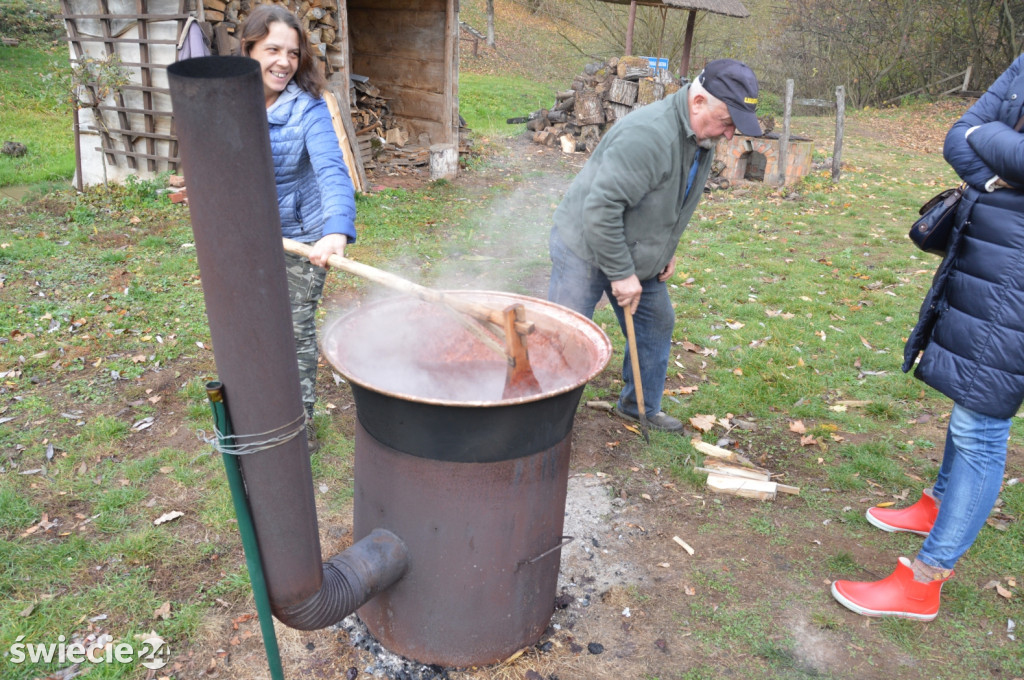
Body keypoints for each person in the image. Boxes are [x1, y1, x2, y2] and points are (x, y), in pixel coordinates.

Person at [831, 54, 1024, 621]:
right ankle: (940, 506)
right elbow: (956, 134)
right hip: (991, 255)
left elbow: (979, 132)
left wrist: (984, 137)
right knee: (968, 397)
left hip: (1017, 277)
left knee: (982, 425)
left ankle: (926, 580)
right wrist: (993, 169)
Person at [547, 59, 763, 432]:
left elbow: (672, 199)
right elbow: (599, 210)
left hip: (636, 248)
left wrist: (666, 248)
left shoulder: (701, 135)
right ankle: (543, 414)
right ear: (697, 102)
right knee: (568, 334)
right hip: (584, 243)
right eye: (727, 122)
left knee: (656, 319)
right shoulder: (648, 136)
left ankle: (638, 407)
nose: (729, 135)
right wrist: (621, 273)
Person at [240, 5, 357, 451]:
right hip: (251, 237)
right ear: (249, 49)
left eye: (292, 52)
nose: (284, 62)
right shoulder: (229, 100)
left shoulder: (306, 110)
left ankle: (296, 427)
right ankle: (257, 408)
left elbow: (332, 172)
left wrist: (336, 230)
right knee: (251, 323)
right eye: (272, 49)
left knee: (293, 330)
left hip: (303, 240)